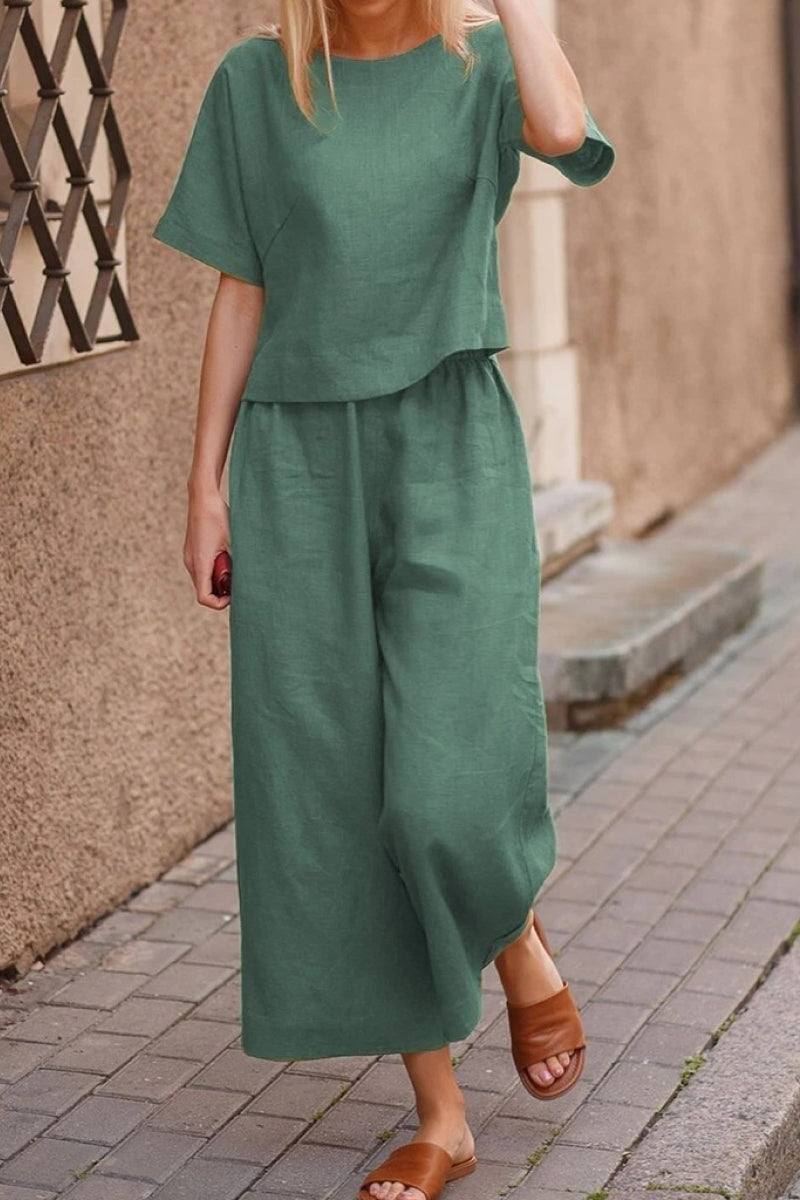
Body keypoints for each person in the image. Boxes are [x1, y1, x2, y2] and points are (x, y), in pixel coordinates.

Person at [152, 1, 614, 1196]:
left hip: (446, 444)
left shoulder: (477, 69)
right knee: (338, 791)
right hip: (297, 463)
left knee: (444, 789)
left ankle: (511, 935)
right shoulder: (256, 84)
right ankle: (439, 1114)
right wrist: (204, 484)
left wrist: (521, 8)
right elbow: (242, 287)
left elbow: (564, 131)